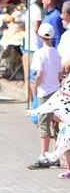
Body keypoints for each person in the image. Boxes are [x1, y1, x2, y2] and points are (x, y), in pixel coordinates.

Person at [28, 23, 63, 170]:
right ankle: (55, 155)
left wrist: (35, 86)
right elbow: (60, 74)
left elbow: (39, 74)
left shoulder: (39, 53)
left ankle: (43, 155)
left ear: (40, 36)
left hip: (44, 91)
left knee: (44, 124)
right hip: (55, 90)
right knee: (54, 124)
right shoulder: (55, 52)